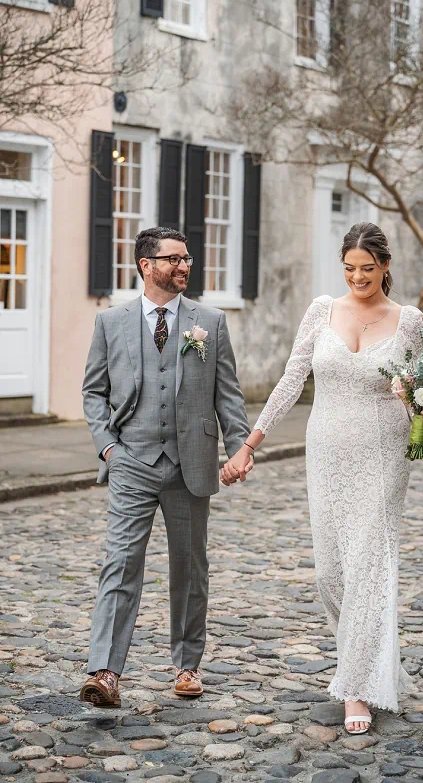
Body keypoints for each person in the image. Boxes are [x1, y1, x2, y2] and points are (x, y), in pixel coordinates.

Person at [221, 222, 423, 734]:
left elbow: (414, 389)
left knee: (369, 564)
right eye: (349, 268)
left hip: (384, 453)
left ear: (386, 267)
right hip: (326, 451)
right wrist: (250, 444)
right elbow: (292, 379)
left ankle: (357, 687)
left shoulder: (409, 320)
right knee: (330, 573)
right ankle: (365, 658)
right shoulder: (322, 310)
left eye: (368, 268)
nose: (358, 277)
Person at [80, 226, 252, 707]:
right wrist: (108, 449)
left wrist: (239, 446)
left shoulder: (209, 323)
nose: (184, 267)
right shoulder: (111, 322)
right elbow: (93, 391)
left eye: (187, 258)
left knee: (190, 567)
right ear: (145, 265)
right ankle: (106, 671)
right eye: (173, 259)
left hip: (190, 463)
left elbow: (228, 394)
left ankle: (187, 665)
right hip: (131, 460)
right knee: (120, 563)